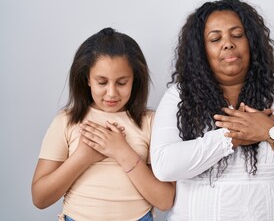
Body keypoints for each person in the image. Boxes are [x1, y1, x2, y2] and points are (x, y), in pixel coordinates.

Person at [150, 0, 274, 220]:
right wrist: (230, 137)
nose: (228, 43)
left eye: (237, 35)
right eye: (215, 38)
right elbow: (164, 165)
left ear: (252, 42)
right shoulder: (180, 96)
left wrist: (270, 133)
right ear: (201, 50)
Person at [31, 27, 175, 221]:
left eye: (122, 83)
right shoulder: (66, 121)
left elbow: (165, 200)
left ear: (135, 80)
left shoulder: (151, 122)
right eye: (102, 82)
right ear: (87, 79)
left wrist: (121, 152)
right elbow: (40, 198)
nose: (111, 93)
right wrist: (83, 156)